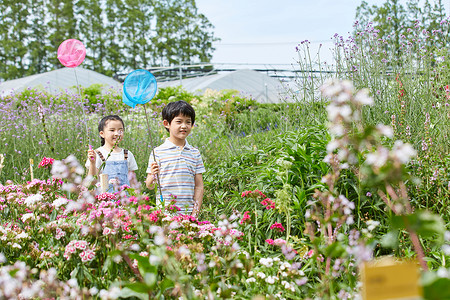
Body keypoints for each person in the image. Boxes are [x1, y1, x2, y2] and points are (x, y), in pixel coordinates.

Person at [145, 100, 205, 217]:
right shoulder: (157, 152)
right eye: (179, 121)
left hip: (188, 213)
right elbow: (150, 186)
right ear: (166, 124)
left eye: (188, 122)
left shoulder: (194, 153)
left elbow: (199, 186)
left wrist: (195, 213)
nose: (184, 126)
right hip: (166, 214)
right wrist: (153, 175)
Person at [86, 115, 138, 193]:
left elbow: (132, 181)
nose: (117, 134)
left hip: (125, 200)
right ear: (102, 133)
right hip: (104, 201)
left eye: (120, 130)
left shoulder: (127, 154)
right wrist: (92, 163)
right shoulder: (97, 154)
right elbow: (92, 182)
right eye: (112, 130)